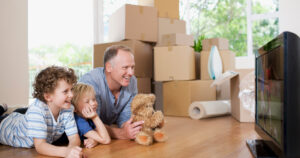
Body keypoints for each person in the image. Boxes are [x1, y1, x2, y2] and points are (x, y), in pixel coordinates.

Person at [0, 66, 84, 158]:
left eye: (71, 89)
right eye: (65, 91)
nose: (71, 95)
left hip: (19, 118)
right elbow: (40, 146)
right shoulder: (36, 110)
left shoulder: (68, 108)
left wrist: (72, 149)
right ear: (48, 96)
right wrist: (66, 152)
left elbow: (74, 137)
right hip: (5, 127)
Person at [79, 45, 144, 139]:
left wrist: (131, 129)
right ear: (109, 67)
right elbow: (92, 124)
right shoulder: (90, 82)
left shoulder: (132, 81)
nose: (131, 73)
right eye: (125, 67)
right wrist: (121, 133)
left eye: (132, 67)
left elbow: (125, 120)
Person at [71, 83, 111, 148]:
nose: (93, 103)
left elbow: (104, 133)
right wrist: (95, 117)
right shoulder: (78, 120)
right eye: (87, 101)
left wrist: (95, 139)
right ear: (74, 108)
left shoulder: (89, 117)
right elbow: (106, 140)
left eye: (94, 99)